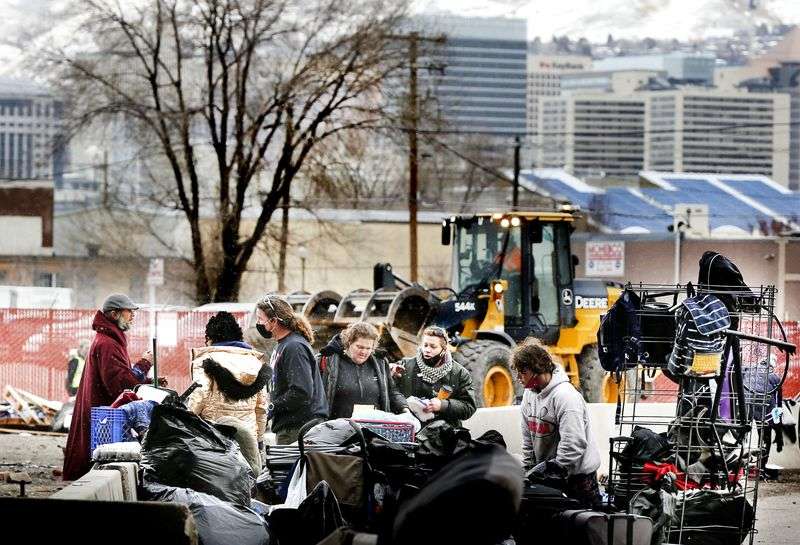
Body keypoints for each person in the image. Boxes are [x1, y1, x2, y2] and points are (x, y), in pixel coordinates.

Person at [62, 294, 154, 481]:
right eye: (129, 311)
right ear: (114, 314)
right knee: (96, 459)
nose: (132, 316)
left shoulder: (109, 339)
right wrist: (144, 365)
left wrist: (145, 380)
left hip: (100, 411)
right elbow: (119, 385)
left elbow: (120, 377)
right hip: (102, 412)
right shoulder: (108, 343)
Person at [512, 337, 601, 508]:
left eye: (522, 372)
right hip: (550, 474)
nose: (518, 377)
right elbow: (528, 438)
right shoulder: (529, 395)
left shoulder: (566, 397)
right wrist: (531, 470)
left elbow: (573, 443)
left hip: (579, 479)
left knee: (586, 528)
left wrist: (555, 470)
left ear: (537, 369)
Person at [187, 311, 270, 456]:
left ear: (211, 338)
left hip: (215, 441)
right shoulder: (255, 363)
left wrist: (186, 428)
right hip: (247, 442)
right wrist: (259, 439)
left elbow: (198, 397)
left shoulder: (206, 361)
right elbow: (261, 408)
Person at [256, 294, 328, 445]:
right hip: (290, 427)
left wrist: (272, 407)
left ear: (274, 321)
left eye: (260, 319)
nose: (258, 323)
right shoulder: (282, 345)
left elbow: (301, 392)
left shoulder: (294, 347)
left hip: (298, 429)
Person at [318, 321, 408, 420]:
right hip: (338, 428)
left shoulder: (380, 362)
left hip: (373, 428)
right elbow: (315, 395)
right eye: (359, 347)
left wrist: (405, 409)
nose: (364, 352)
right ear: (349, 343)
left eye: (368, 348)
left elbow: (392, 391)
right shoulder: (329, 361)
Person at [393, 326, 476, 427]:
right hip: (410, 428)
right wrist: (390, 373)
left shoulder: (460, 373)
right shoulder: (404, 365)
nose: (427, 350)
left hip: (443, 433)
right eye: (425, 345)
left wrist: (443, 405)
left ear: (444, 349)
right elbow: (391, 392)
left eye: (433, 346)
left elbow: (469, 407)